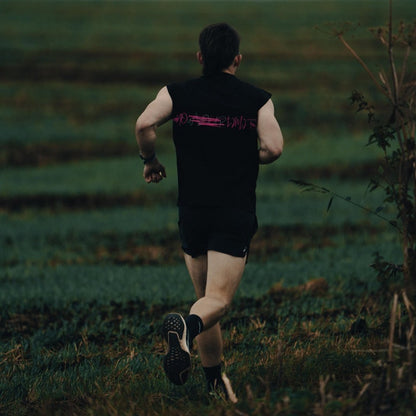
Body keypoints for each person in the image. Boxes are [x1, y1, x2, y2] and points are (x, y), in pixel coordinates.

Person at [135, 23, 283, 401]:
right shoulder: (257, 99)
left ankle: (214, 384)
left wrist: (150, 160)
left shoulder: (177, 93)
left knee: (204, 296)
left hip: (193, 211)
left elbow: (144, 123)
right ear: (238, 59)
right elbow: (274, 148)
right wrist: (246, 156)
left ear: (200, 57)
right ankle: (185, 327)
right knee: (216, 303)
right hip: (233, 210)